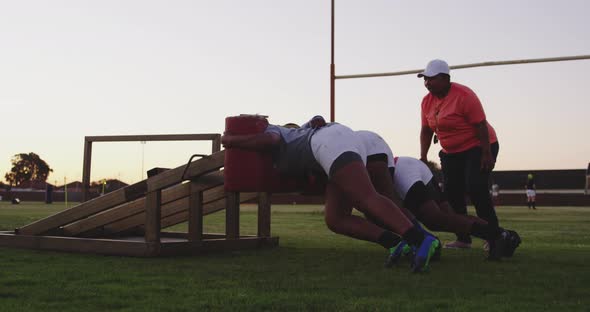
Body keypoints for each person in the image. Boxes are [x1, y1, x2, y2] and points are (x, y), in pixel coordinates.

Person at [221, 117, 439, 272]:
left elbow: (272, 140)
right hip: (332, 147)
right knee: (336, 218)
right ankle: (395, 242)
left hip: (330, 144)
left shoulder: (273, 130)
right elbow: (314, 122)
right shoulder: (297, 135)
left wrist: (233, 141)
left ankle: (420, 240)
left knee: (366, 198)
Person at [354, 129, 520, 261]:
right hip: (409, 166)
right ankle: (500, 234)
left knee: (433, 218)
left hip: (403, 171)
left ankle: (497, 235)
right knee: (448, 217)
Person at [418, 59, 500, 249]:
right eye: (425, 79)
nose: (427, 83)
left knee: (476, 188)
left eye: (431, 78)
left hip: (478, 146)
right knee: (452, 194)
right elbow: (426, 130)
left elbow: (480, 125)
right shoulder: (426, 101)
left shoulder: (464, 95)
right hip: (451, 152)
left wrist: (486, 153)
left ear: (445, 78)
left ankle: (493, 235)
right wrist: (423, 156)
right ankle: (463, 238)